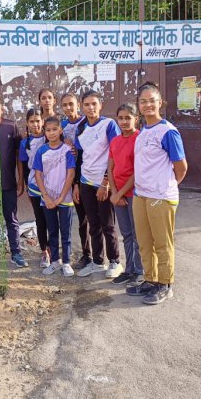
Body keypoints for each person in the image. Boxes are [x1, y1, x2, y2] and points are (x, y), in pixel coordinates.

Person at [128, 82, 188, 305]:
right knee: (145, 241)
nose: (147, 105)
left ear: (160, 103)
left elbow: (181, 167)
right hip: (141, 195)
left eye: (151, 100)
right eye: (143, 101)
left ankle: (165, 284)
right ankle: (151, 279)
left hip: (160, 197)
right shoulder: (143, 130)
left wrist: (166, 186)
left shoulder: (168, 132)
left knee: (162, 243)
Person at [73, 90, 122, 278]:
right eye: (87, 104)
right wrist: (77, 183)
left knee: (107, 224)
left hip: (103, 182)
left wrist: (105, 182)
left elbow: (115, 153)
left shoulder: (109, 125)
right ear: (82, 106)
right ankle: (97, 261)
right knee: (93, 223)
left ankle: (115, 262)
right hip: (86, 181)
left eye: (94, 104)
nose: (90, 108)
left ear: (100, 105)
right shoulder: (81, 127)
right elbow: (79, 157)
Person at [0, 95, 28, 267]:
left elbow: (18, 156)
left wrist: (20, 180)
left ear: (1, 110)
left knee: (11, 219)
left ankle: (16, 253)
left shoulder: (11, 126)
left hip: (8, 183)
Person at [33, 117, 76, 277]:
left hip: (64, 198)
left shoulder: (67, 150)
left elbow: (70, 174)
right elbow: (38, 175)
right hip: (47, 199)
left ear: (60, 130)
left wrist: (60, 198)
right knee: (52, 231)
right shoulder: (41, 151)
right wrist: (46, 197)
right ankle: (55, 261)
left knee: (65, 232)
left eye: (54, 129)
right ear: (45, 132)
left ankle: (66, 262)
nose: (51, 133)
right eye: (48, 130)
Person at [108, 103, 144, 286]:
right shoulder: (115, 141)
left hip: (134, 194)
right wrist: (114, 192)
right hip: (118, 194)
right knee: (126, 234)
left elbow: (137, 171)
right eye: (120, 118)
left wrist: (121, 193)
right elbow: (111, 166)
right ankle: (129, 269)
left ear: (136, 119)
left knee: (138, 234)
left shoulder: (140, 138)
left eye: (127, 118)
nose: (123, 121)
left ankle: (139, 270)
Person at [59, 92, 92, 269]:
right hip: (70, 175)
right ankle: (86, 254)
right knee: (81, 218)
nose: (68, 108)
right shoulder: (62, 126)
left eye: (71, 104)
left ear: (77, 105)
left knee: (93, 217)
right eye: (65, 105)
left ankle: (100, 256)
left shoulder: (86, 123)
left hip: (85, 173)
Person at [19, 108, 50, 267]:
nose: (35, 124)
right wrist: (25, 186)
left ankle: (54, 251)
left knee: (51, 218)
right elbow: (24, 167)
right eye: (32, 121)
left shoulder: (49, 138)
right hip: (34, 186)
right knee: (40, 219)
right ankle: (44, 251)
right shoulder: (25, 143)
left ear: (42, 121)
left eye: (38, 121)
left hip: (52, 185)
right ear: (27, 123)